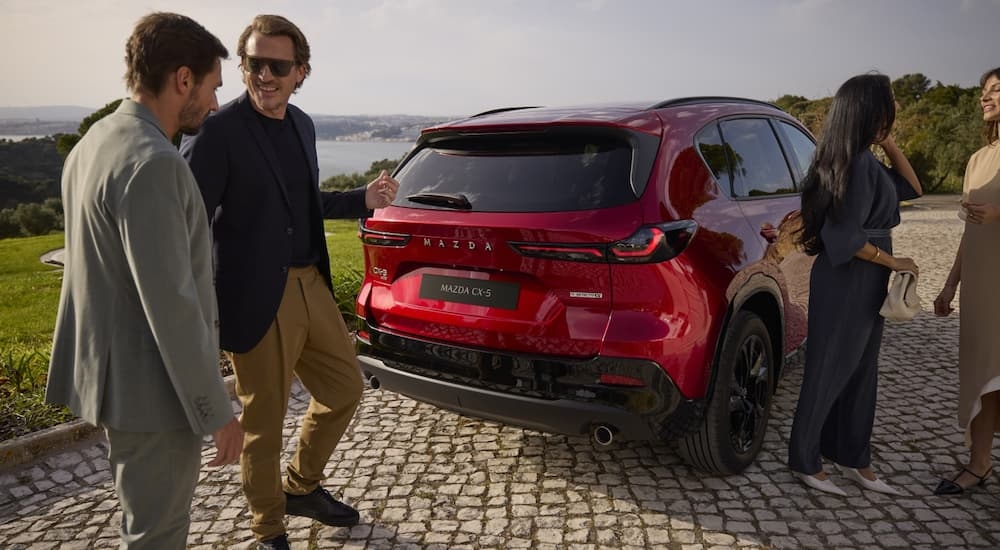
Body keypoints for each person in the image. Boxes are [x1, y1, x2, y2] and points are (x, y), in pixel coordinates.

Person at [180, 14, 398, 549]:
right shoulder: (216, 131)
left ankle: (300, 486)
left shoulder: (302, 124)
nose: (265, 75)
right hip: (255, 296)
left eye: (278, 66)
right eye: (255, 63)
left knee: (345, 388)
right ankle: (268, 526)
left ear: (300, 72)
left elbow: (300, 201)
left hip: (309, 284)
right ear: (243, 65)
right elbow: (186, 223)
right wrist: (199, 307)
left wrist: (362, 199)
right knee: (264, 421)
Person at [45, 12, 243, 548]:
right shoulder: (154, 162)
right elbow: (172, 306)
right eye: (212, 87)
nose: (215, 104)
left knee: (143, 525)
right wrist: (216, 412)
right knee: (157, 534)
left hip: (116, 383)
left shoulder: (95, 142)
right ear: (183, 79)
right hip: (156, 396)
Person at [788, 73, 922, 496]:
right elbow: (844, 236)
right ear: (870, 107)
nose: (897, 105)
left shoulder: (865, 159)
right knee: (829, 368)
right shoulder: (856, 164)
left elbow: (913, 188)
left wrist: (887, 140)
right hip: (847, 276)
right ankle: (805, 460)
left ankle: (851, 456)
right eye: (891, 99)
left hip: (865, 277)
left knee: (863, 370)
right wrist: (895, 261)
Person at [931, 66, 1000, 496]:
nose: (984, 98)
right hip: (980, 286)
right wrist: (950, 284)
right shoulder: (978, 159)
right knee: (984, 376)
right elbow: (969, 231)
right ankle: (979, 464)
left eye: (996, 90)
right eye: (983, 91)